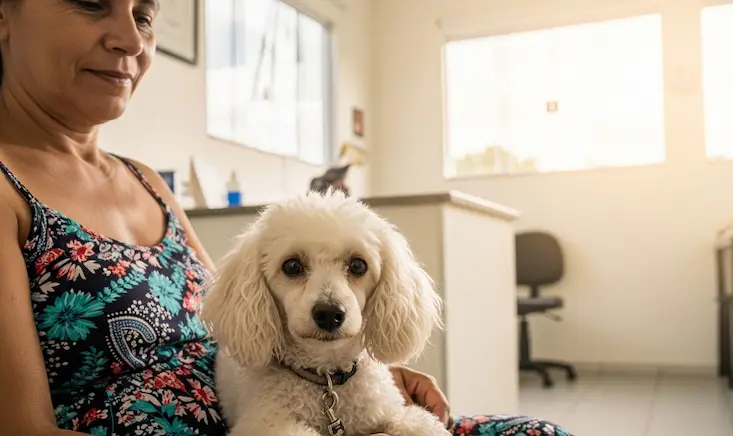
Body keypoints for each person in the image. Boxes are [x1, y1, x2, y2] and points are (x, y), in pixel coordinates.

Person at [0, 1, 572, 435]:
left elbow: (241, 314)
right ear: (6, 13)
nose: (129, 38)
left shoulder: (146, 180)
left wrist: (350, 374)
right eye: (91, 1)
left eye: (145, 14)